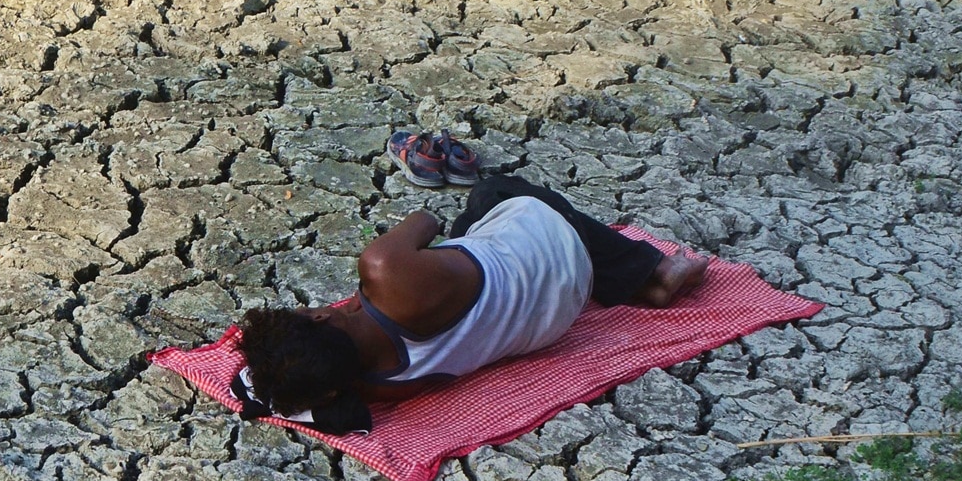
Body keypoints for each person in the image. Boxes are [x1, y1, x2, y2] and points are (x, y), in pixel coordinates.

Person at [233, 176, 707, 433]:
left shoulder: (379, 388)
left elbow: (313, 398)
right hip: (555, 254)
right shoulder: (384, 271)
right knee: (493, 192)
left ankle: (628, 271)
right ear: (319, 315)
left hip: (552, 321)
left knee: (477, 227)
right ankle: (656, 275)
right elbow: (426, 219)